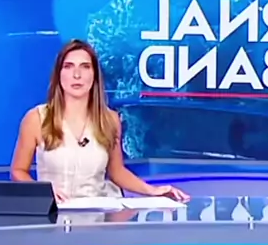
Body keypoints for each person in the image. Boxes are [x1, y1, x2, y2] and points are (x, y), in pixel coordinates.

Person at [10, 39, 189, 203]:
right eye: (69, 66)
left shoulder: (110, 120)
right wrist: (43, 192)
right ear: (59, 74)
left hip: (99, 213)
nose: (77, 75)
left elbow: (117, 171)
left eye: (85, 67)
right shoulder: (36, 119)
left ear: (94, 75)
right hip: (55, 212)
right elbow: (18, 171)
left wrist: (153, 191)